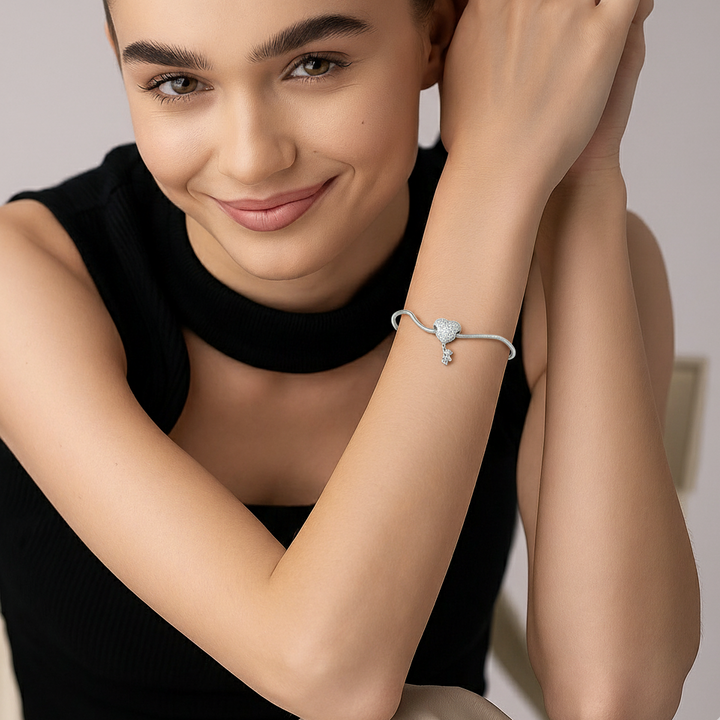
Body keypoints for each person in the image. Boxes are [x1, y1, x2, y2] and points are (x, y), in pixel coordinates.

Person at [0, 0, 701, 718]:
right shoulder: (27, 275)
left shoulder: (569, 262)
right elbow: (328, 677)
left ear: (434, 38)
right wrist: (491, 178)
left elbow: (616, 696)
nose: (251, 158)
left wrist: (580, 176)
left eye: (314, 65)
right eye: (178, 83)